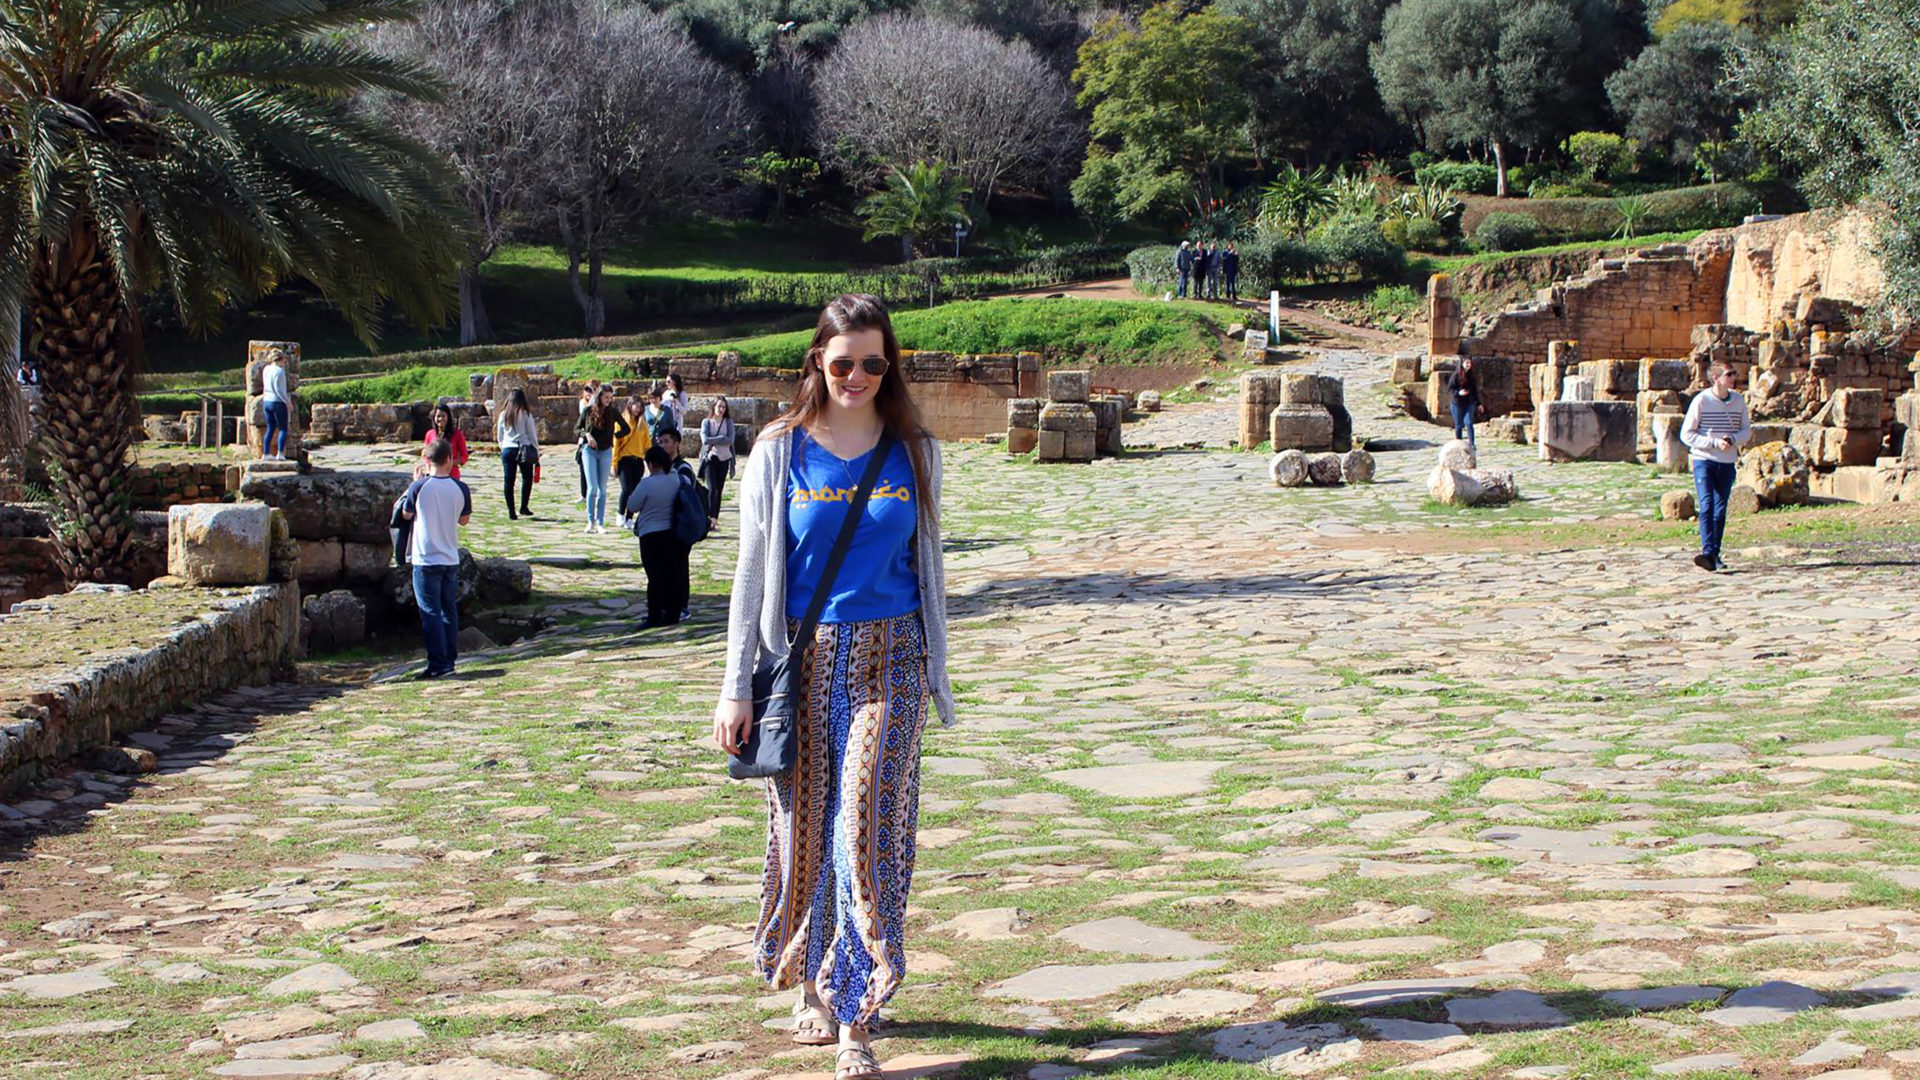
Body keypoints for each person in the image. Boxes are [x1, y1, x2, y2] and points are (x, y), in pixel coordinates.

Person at [713, 293, 954, 1080]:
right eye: (843, 360)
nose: (857, 376)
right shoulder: (780, 449)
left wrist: (935, 668)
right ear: (818, 358)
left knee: (866, 828)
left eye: (874, 363)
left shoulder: (914, 449)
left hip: (893, 660)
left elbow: (927, 563)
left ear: (891, 367)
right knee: (805, 832)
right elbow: (751, 572)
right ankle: (811, 982)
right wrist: (733, 687)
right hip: (803, 664)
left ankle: (858, 1013)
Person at [399, 438, 471, 679]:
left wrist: (415, 483)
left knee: (430, 611)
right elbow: (464, 520)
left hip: (425, 558)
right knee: (448, 610)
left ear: (426, 460)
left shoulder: (419, 488)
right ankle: (449, 659)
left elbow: (407, 514)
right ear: (450, 459)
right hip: (450, 557)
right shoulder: (460, 488)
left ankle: (437, 663)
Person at [1681, 362, 1751, 572]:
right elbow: (1687, 434)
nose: (1733, 378)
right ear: (1716, 378)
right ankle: (1707, 551)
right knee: (1707, 505)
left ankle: (1714, 554)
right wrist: (1712, 442)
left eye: (1734, 374)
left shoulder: (1738, 401)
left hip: (1727, 462)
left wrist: (1733, 438)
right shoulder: (1701, 401)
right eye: (1729, 375)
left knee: (1720, 510)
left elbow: (1746, 431)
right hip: (1704, 459)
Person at [627, 446, 685, 629]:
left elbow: (632, 505)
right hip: (671, 532)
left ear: (651, 464)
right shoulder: (677, 479)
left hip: (650, 534)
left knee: (655, 576)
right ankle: (672, 613)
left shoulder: (647, 484)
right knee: (671, 574)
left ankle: (654, 615)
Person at [655, 425, 699, 621]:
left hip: (681, 524)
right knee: (665, 566)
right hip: (664, 523)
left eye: (666, 441)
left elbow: (683, 492)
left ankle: (682, 606)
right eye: (660, 442)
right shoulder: (661, 468)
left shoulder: (683, 468)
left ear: (676, 443)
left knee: (679, 566)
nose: (663, 445)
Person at [575, 384, 627, 534]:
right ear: (599, 396)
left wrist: (614, 437)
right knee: (592, 488)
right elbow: (577, 428)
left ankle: (600, 522)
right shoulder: (588, 410)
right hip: (589, 451)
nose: (608, 400)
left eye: (610, 398)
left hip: (605, 451)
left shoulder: (612, 412)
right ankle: (590, 521)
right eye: (606, 397)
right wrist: (587, 435)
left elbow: (625, 428)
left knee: (602, 489)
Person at [495, 389, 539, 520]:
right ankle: (523, 506)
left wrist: (502, 447)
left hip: (508, 448)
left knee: (509, 481)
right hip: (523, 447)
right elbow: (532, 434)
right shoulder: (525, 414)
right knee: (527, 478)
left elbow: (500, 435)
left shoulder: (503, 415)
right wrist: (536, 450)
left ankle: (511, 511)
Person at [615, 395, 653, 529]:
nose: (638, 409)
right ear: (630, 406)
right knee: (626, 489)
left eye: (640, 407)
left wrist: (650, 461)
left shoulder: (643, 424)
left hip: (638, 460)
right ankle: (620, 513)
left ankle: (630, 517)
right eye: (636, 406)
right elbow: (616, 443)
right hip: (624, 459)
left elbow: (647, 443)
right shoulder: (622, 422)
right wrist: (614, 464)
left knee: (635, 490)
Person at [699, 396, 737, 529]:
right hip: (711, 457)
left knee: (719, 490)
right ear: (714, 407)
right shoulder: (706, 422)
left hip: (725, 458)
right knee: (712, 488)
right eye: (719, 406)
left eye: (724, 407)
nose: (721, 409)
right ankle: (709, 517)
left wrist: (714, 439)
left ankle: (714, 519)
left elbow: (730, 440)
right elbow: (704, 440)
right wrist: (722, 438)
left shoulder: (728, 422)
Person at [424, 403, 470, 480]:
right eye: (438, 416)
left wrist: (450, 463)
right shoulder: (429, 434)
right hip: (433, 475)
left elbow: (464, 456)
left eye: (443, 416)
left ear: (448, 417)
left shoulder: (457, 434)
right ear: (434, 418)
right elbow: (426, 456)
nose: (441, 419)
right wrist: (428, 470)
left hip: (452, 476)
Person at [260, 349, 291, 460]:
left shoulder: (266, 369)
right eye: (284, 360)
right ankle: (280, 453)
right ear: (281, 359)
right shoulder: (279, 371)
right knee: (283, 428)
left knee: (270, 428)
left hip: (267, 401)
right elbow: (279, 390)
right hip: (277, 402)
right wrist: (288, 402)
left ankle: (266, 453)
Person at [1447, 357, 1482, 450]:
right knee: (1458, 425)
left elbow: (1475, 391)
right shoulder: (1456, 375)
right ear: (1462, 363)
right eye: (1466, 363)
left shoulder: (1472, 376)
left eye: (1469, 363)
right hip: (1457, 404)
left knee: (1469, 423)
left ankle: (1472, 444)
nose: (1468, 365)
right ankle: (1459, 444)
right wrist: (1458, 393)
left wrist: (1479, 404)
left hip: (1469, 403)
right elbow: (1450, 388)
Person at [574, 380, 599, 506]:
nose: (589, 392)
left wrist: (594, 397)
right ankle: (584, 494)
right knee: (583, 469)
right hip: (584, 439)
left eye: (592, 390)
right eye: (587, 390)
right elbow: (585, 415)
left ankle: (595, 493)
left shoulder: (599, 404)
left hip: (598, 439)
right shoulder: (582, 403)